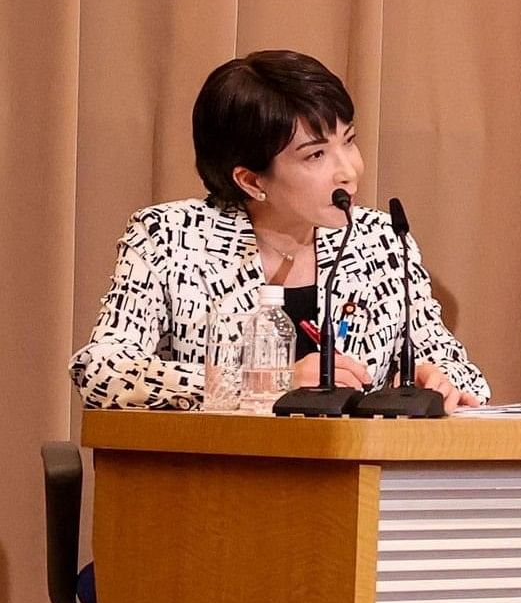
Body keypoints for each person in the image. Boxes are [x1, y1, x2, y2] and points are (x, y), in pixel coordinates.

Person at [74, 51, 490, 411]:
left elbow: (462, 372)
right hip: (216, 485)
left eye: (348, 141)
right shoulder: (170, 237)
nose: (347, 170)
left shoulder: (379, 239)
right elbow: (102, 371)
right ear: (251, 181)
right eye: (316, 155)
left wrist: (437, 382)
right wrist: (269, 382)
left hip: (354, 482)